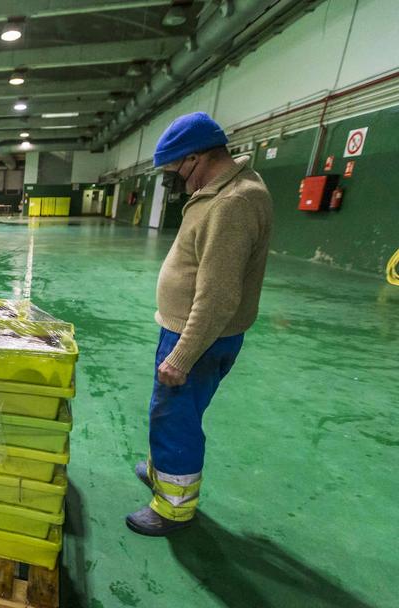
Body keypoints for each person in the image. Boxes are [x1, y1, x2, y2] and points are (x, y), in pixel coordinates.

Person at [127, 112, 273, 536]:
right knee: (174, 413)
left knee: (175, 416)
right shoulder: (225, 192)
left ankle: (172, 507)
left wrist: (183, 354)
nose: (178, 182)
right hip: (195, 328)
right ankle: (163, 472)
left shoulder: (232, 203)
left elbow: (219, 295)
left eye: (177, 171)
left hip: (198, 335)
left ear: (196, 157)